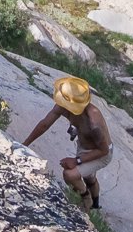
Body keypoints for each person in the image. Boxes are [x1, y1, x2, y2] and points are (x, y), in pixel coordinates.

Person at [21, 75, 112, 211]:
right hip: (84, 146)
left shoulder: (94, 123)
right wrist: (24, 144)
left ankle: (87, 199)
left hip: (100, 154)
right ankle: (95, 204)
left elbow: (103, 151)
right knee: (89, 177)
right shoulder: (63, 107)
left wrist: (77, 161)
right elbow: (45, 124)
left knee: (70, 174)